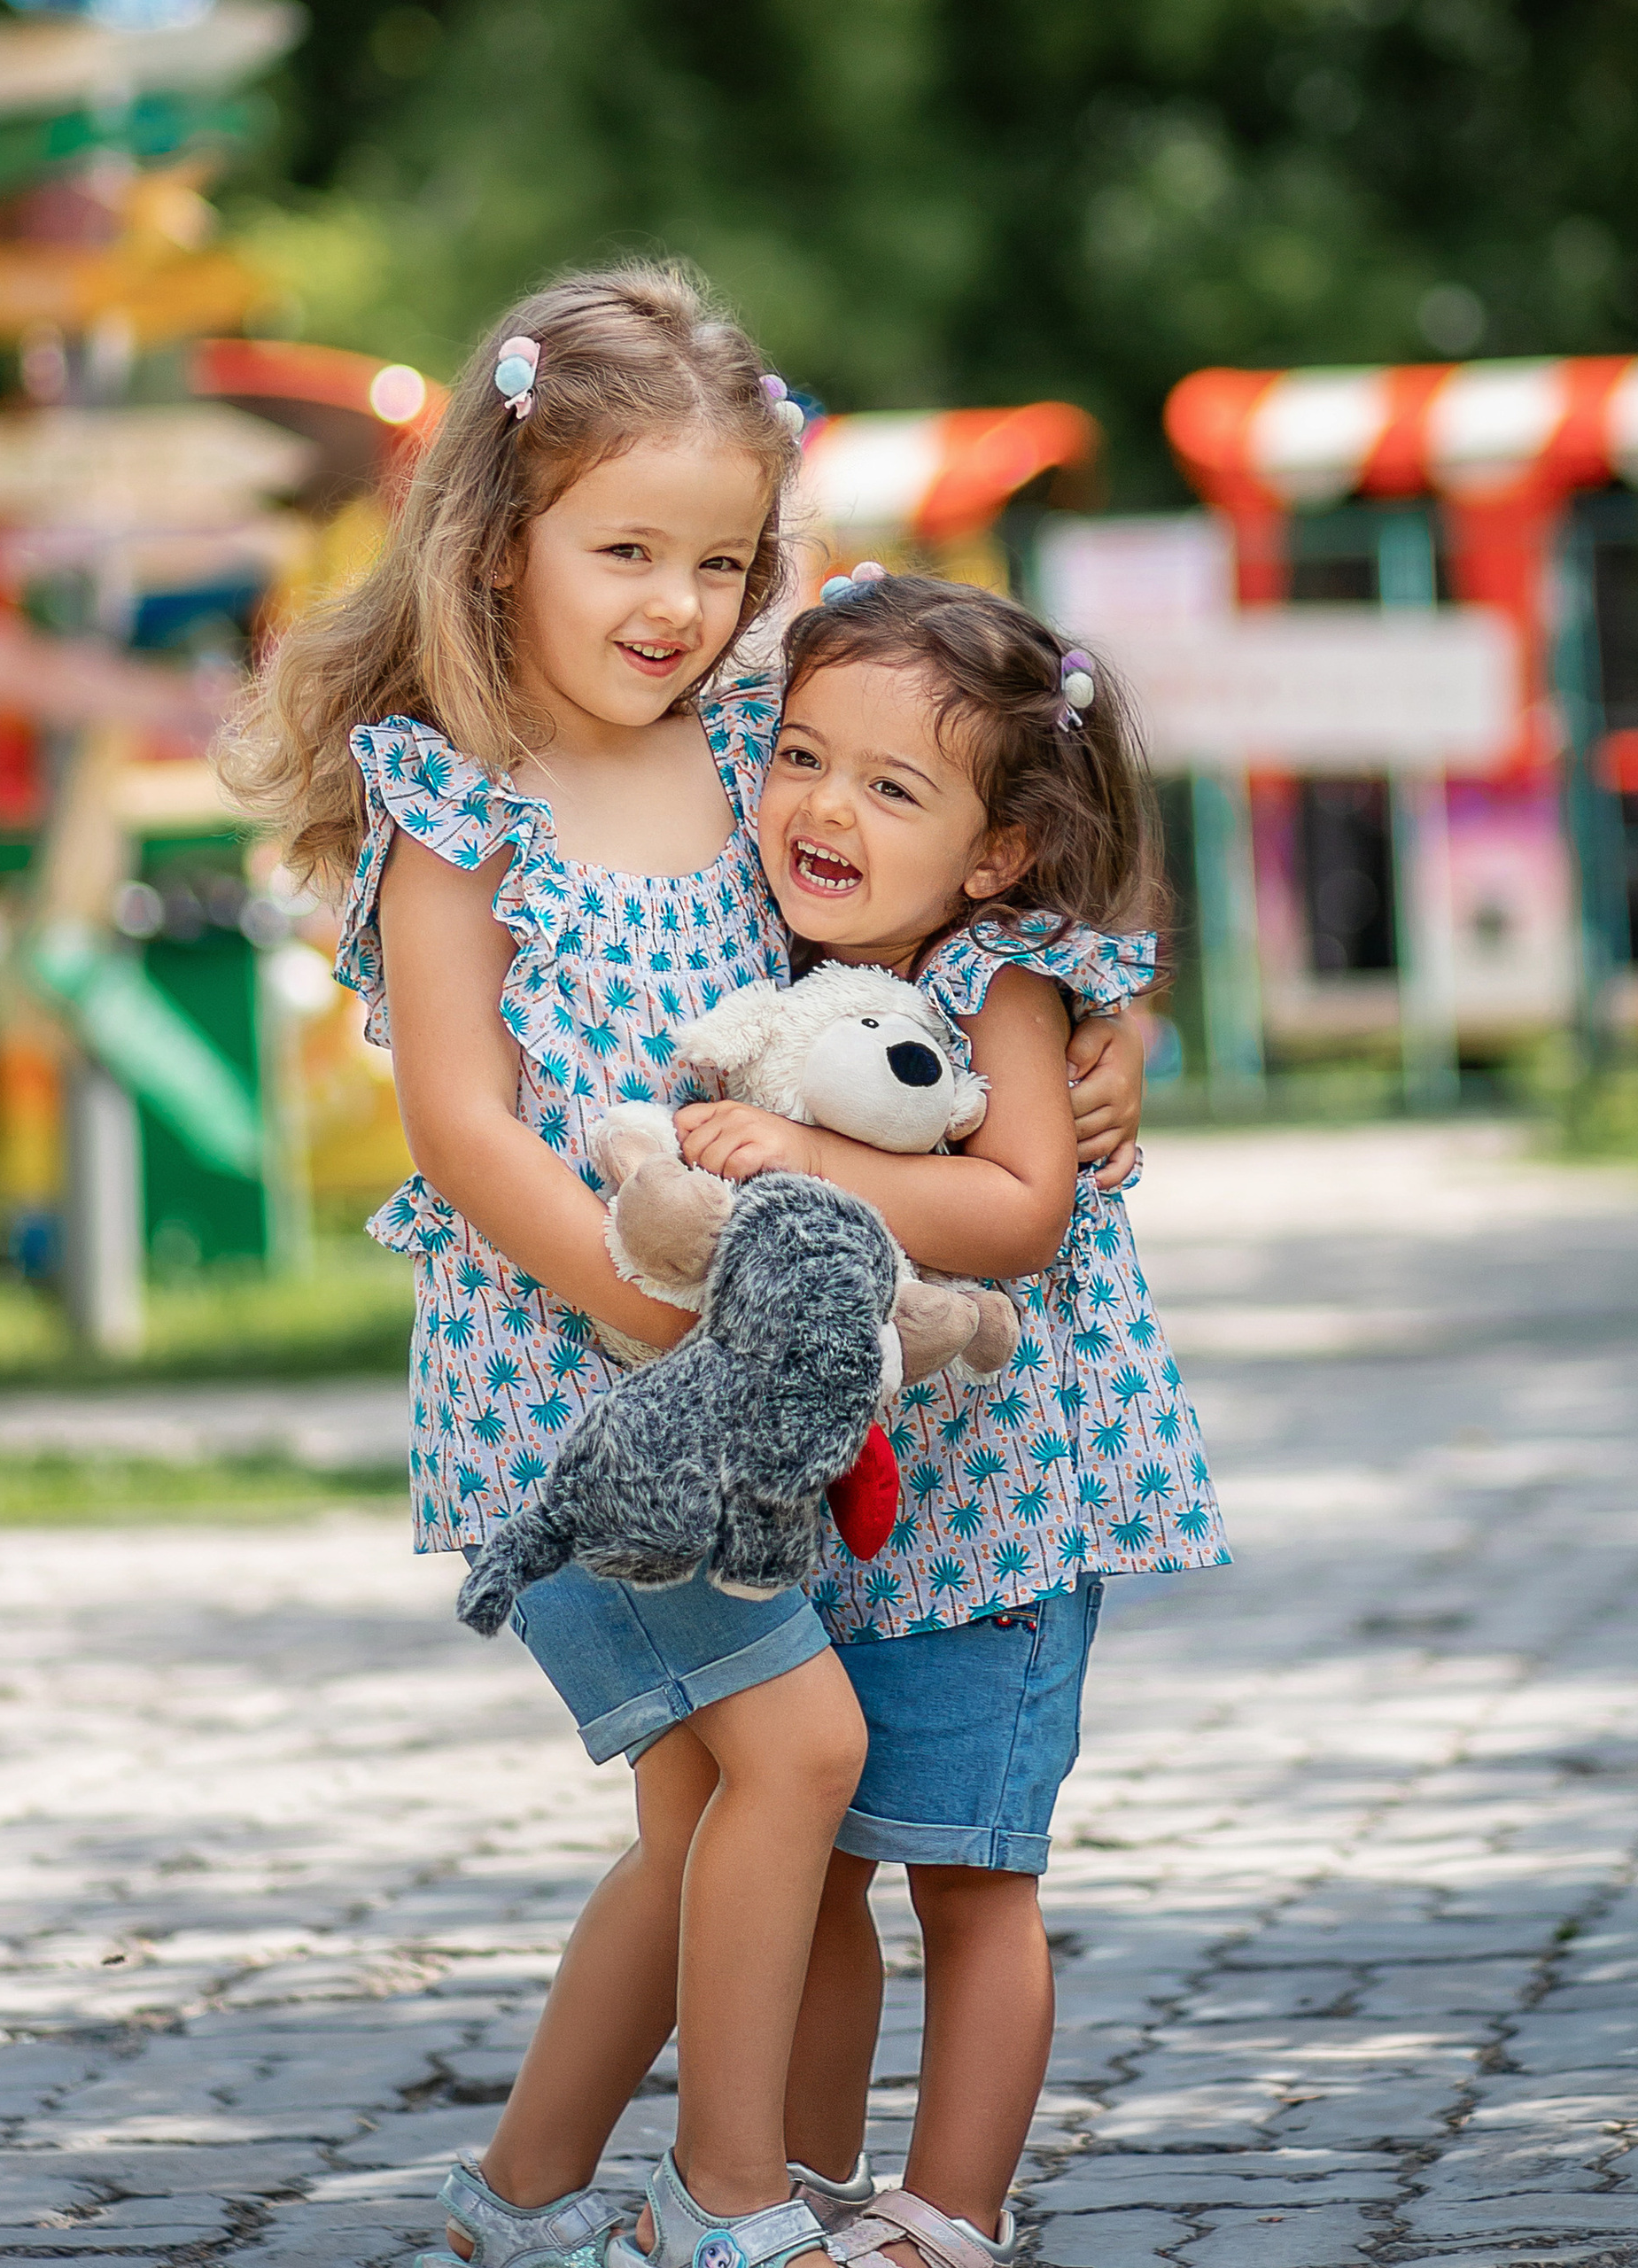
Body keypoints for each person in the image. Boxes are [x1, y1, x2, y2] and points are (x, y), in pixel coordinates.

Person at [218, 268, 1144, 2268]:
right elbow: (464, 1129)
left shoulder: (750, 731)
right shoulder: (453, 794)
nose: (674, 601)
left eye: (719, 558)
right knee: (799, 1754)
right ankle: (721, 2198)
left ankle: (519, 2196)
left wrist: (1082, 1034)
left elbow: (965, 773)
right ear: (497, 541)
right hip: (587, 1394)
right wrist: (655, 1318)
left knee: (700, 1828)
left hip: (760, 1392)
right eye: (620, 547)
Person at [672, 573, 1232, 2268]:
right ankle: (807, 2184)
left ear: (996, 849)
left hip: (1004, 1518)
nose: (826, 809)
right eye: (803, 759)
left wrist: (814, 1166)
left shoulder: (1003, 974)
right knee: (824, 1856)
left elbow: (1021, 1213)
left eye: (893, 788)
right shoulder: (793, 954)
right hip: (860, 1512)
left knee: (973, 1876)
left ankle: (955, 2215)